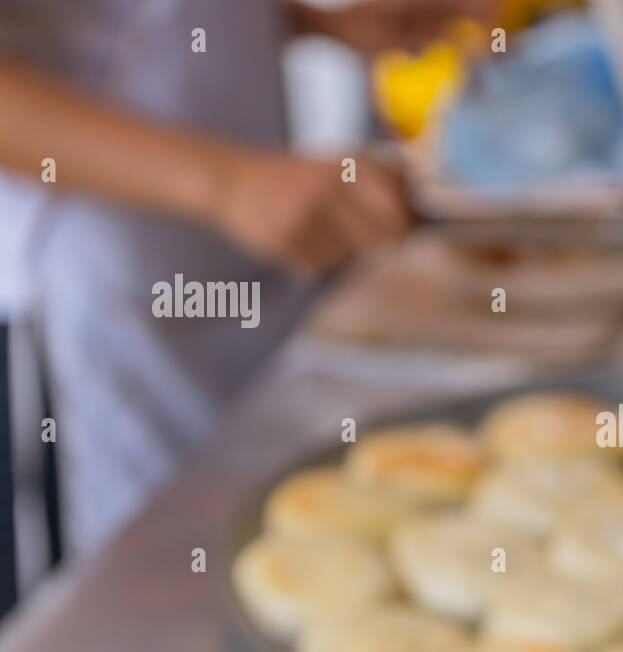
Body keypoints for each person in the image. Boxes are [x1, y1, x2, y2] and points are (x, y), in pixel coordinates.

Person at [0, 0, 489, 557]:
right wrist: (230, 185)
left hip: (241, 270)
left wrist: (307, 20)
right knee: (151, 582)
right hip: (92, 307)